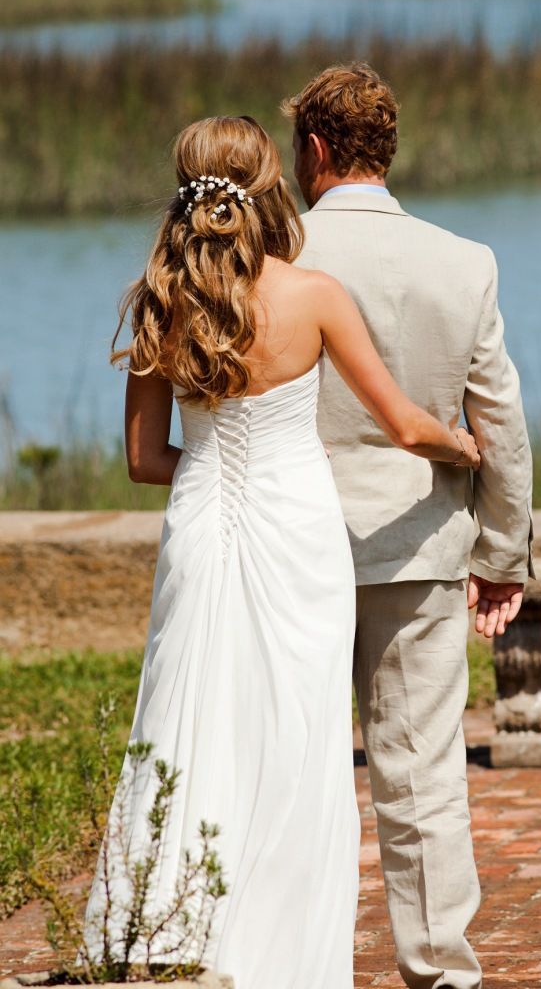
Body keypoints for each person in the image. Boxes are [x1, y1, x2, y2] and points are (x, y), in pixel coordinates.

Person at [79, 115, 480, 988]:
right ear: (268, 186)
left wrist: (219, 466)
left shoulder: (159, 296)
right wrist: (463, 448)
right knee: (298, 737)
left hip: (202, 525)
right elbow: (407, 427)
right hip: (301, 535)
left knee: (190, 721)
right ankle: (284, 956)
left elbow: (146, 461)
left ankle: (170, 931)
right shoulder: (315, 294)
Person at [284, 63, 535, 989]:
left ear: (311, 149)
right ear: (386, 149)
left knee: (283, 767)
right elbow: (500, 420)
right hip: (421, 543)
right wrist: (502, 552)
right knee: (423, 776)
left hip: (289, 550)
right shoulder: (464, 262)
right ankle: (440, 974)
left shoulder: (275, 262)